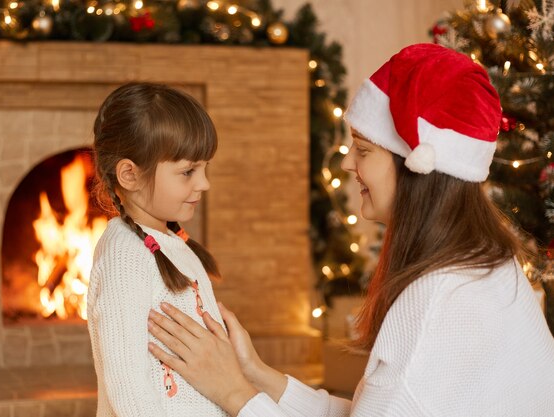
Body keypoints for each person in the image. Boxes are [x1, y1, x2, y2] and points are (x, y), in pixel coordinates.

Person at [146, 44, 554, 416]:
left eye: (363, 150)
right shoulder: (482, 265)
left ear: (417, 166)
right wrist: (256, 375)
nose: (346, 164)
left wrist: (231, 392)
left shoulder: (437, 302)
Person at [87, 82, 229, 416]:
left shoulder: (170, 241)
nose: (204, 183)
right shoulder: (125, 255)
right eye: (188, 171)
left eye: (205, 168)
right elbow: (127, 384)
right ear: (129, 175)